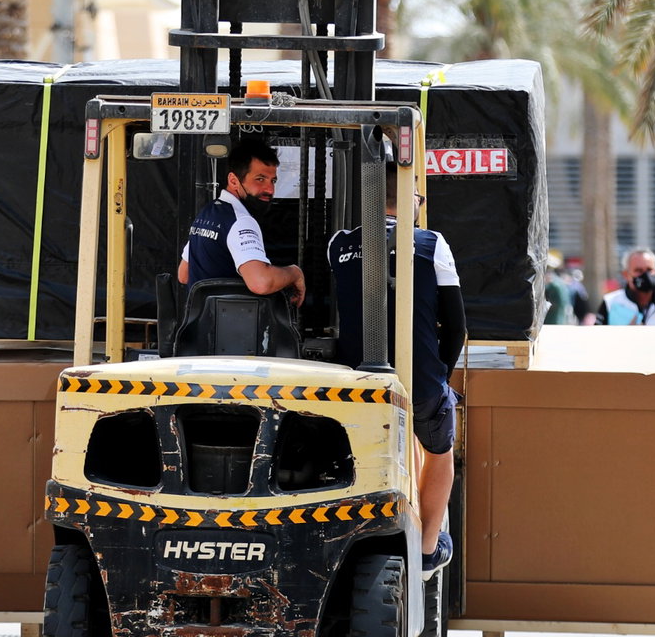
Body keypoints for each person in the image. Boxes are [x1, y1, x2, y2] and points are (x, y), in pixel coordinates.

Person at [328, 167, 466, 574]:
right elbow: (455, 325)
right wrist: (439, 376)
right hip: (419, 379)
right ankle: (426, 550)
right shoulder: (432, 243)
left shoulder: (339, 244)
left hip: (354, 383)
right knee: (441, 452)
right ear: (413, 200)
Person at [177, 136, 305, 306]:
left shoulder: (206, 214)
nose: (270, 189)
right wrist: (294, 273)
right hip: (232, 327)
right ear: (233, 181)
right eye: (260, 179)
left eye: (272, 180)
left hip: (197, 326)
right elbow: (261, 283)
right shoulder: (241, 221)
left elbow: (184, 275)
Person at [595, 248, 655, 325]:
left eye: (649, 270)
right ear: (626, 274)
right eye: (638, 270)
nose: (645, 275)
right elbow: (597, 338)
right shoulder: (610, 302)